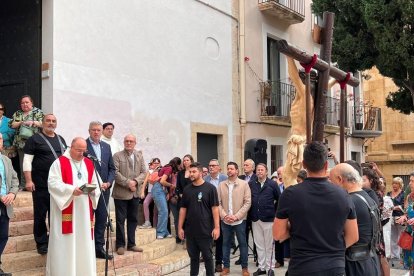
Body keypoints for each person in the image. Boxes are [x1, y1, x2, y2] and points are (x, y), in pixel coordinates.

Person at [274, 141, 358, 276]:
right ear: (326, 165)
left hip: (302, 267)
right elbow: (353, 236)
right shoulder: (343, 195)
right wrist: (334, 251)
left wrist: (293, 227)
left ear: (304, 164)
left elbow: (278, 234)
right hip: (334, 267)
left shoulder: (290, 194)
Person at [46, 137, 101, 276]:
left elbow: (96, 183)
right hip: (66, 209)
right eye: (78, 150)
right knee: (66, 242)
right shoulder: (59, 163)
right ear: (71, 147)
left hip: (84, 212)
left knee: (84, 242)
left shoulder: (89, 163)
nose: (81, 153)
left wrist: (94, 190)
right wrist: (71, 190)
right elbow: (53, 183)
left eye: (84, 150)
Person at [23, 114, 67, 254]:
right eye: (48, 120)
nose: (51, 123)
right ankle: (41, 243)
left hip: (58, 185)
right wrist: (29, 180)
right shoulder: (34, 139)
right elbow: (27, 161)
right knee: (40, 215)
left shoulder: (61, 139)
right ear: (42, 123)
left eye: (54, 121)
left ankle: (55, 240)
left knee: (57, 214)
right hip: (41, 185)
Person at [330, 163, 381, 276]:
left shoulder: (348, 201)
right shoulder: (368, 198)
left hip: (354, 264)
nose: (331, 186)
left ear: (340, 179)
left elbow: (350, 237)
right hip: (371, 262)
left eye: (331, 182)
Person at [178, 162, 220, 276]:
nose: (191, 174)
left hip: (206, 230)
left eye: (194, 172)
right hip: (190, 231)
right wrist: (180, 227)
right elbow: (183, 209)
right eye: (190, 172)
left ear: (201, 173)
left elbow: (215, 209)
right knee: (194, 259)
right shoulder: (187, 189)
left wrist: (217, 228)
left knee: (208, 258)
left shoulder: (210, 188)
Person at [86, 121, 116, 259]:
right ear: (89, 131)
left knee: (102, 219)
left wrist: (109, 183)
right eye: (94, 130)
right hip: (89, 191)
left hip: (104, 190)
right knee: (87, 219)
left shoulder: (106, 146)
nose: (96, 132)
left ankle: (99, 248)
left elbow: (112, 168)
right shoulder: (83, 146)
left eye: (98, 130)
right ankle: (86, 248)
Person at [112, 134, 146, 255]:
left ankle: (131, 244)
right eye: (127, 141)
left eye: (131, 141)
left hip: (135, 194)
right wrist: (128, 183)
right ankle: (120, 245)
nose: (129, 143)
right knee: (120, 220)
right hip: (121, 194)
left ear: (135, 143)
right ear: (124, 142)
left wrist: (135, 182)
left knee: (133, 219)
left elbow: (144, 172)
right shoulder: (117, 156)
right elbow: (115, 173)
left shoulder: (139, 156)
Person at [217, 161, 251, 276]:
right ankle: (226, 267)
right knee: (225, 244)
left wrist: (236, 216)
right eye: (228, 168)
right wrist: (225, 215)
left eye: (232, 168)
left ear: (237, 171)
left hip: (239, 220)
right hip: (225, 220)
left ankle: (245, 268)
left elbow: (247, 202)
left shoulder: (244, 184)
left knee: (242, 243)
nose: (229, 170)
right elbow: (218, 203)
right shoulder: (221, 185)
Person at [249, 163, 281, 276]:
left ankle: (270, 268)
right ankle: (261, 267)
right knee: (259, 245)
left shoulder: (272, 184)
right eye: (258, 170)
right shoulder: (251, 184)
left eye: (262, 170)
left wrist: (276, 214)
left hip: (269, 219)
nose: (260, 172)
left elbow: (280, 200)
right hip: (255, 219)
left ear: (266, 172)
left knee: (269, 246)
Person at [8, 95, 44, 190]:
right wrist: (21, 122)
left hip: (35, 144)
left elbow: (44, 124)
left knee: (36, 164)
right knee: (23, 164)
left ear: (31, 103)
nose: (24, 104)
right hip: (21, 144)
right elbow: (11, 124)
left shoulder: (38, 112)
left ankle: (36, 184)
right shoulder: (18, 113)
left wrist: (33, 122)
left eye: (27, 102)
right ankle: (24, 185)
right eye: (22, 103)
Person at [362, 167, 391, 276]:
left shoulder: (375, 194)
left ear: (371, 181)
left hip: (377, 230)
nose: (361, 182)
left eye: (364, 180)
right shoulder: (368, 193)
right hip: (376, 229)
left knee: (382, 258)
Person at [0, 133, 19, 276]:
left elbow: (14, 179)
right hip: (2, 199)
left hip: (6, 205)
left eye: (0, 139)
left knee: (3, 237)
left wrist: (12, 193)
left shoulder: (5, 159)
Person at [204, 158, 227, 272]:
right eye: (210, 165)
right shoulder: (205, 179)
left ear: (219, 167)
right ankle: (208, 260)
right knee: (208, 238)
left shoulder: (224, 179)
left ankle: (219, 262)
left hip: (221, 212)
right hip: (208, 214)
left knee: (220, 239)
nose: (211, 167)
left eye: (213, 165)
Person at [152, 157, 181, 239]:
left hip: (162, 190)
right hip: (159, 189)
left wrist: (168, 192)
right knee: (163, 211)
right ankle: (160, 232)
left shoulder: (166, 167)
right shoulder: (169, 168)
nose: (179, 168)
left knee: (165, 211)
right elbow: (162, 181)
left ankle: (165, 231)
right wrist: (172, 186)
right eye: (179, 165)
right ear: (177, 164)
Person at [235, 158, 257, 266]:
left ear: (253, 167)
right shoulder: (240, 178)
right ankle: (243, 257)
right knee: (242, 236)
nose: (244, 167)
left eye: (247, 165)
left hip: (253, 211)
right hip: (242, 212)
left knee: (255, 235)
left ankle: (257, 257)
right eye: (244, 165)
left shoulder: (257, 178)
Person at [396, 172, 414, 274]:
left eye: (412, 181)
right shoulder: (409, 197)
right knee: (411, 264)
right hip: (410, 235)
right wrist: (404, 217)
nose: (410, 183)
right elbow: (407, 213)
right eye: (410, 181)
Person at [175, 154, 194, 245]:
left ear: (191, 161)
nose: (185, 162)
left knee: (190, 219)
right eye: (184, 160)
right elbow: (177, 186)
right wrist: (180, 194)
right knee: (182, 219)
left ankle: (190, 239)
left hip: (192, 200)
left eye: (187, 160)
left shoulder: (193, 172)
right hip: (182, 200)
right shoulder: (180, 173)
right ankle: (184, 238)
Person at [139, 158, 161, 229]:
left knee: (156, 209)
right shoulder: (150, 171)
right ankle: (147, 222)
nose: (156, 164)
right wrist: (142, 192)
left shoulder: (162, 170)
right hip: (151, 192)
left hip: (158, 192)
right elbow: (145, 182)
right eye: (155, 163)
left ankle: (155, 226)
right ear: (152, 164)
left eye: (158, 163)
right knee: (145, 203)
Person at [387, 177, 405, 260]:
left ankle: (400, 254)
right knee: (392, 236)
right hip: (390, 218)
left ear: (400, 185)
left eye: (396, 183)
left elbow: (404, 206)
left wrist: (394, 207)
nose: (394, 185)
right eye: (393, 183)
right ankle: (394, 255)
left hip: (400, 217)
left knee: (400, 236)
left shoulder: (403, 194)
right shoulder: (389, 193)